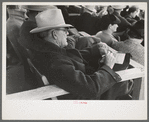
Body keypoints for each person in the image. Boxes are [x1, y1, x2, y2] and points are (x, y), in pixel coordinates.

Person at [28, 9, 134, 100]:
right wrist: (107, 66)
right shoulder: (54, 61)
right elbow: (91, 89)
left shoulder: (45, 50)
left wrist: (95, 50)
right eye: (64, 30)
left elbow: (68, 57)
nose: (68, 33)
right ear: (54, 34)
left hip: (75, 88)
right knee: (123, 80)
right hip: (84, 99)